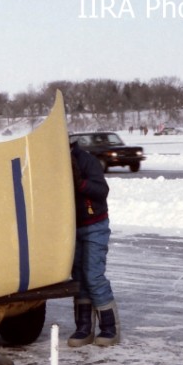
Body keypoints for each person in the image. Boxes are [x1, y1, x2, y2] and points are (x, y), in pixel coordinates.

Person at [67, 141, 120, 347]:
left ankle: (109, 328)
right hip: (71, 227)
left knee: (93, 276)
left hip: (94, 226)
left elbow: (101, 190)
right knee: (79, 277)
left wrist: (80, 183)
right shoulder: (53, 162)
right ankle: (83, 328)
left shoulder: (87, 160)